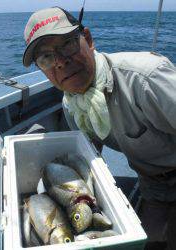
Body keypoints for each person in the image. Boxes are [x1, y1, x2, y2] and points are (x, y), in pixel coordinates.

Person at [22, 7, 176, 250]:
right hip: (153, 185)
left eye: (68, 45)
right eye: (46, 58)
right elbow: (89, 155)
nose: (61, 62)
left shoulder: (146, 79)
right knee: (149, 244)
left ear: (89, 40)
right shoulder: (71, 101)